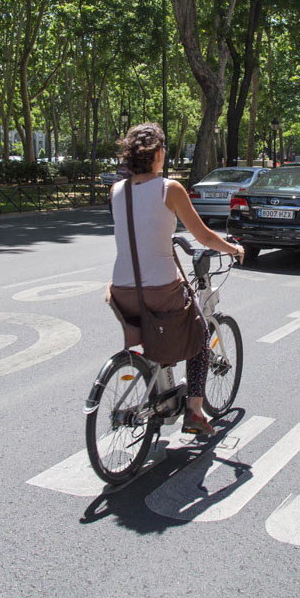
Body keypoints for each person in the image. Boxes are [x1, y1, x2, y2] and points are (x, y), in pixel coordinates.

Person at [106, 123, 244, 436]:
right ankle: (194, 412)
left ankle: (162, 394)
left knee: (161, 326)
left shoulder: (116, 191)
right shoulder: (170, 189)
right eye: (163, 148)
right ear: (157, 154)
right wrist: (234, 249)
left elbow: (138, 231)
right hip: (160, 289)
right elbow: (204, 235)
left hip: (122, 290)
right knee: (199, 334)